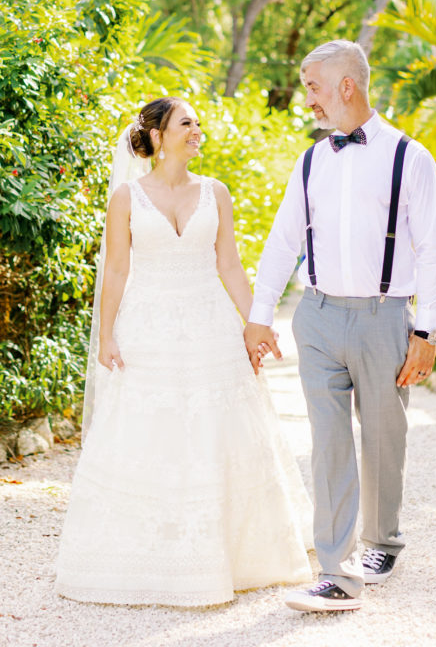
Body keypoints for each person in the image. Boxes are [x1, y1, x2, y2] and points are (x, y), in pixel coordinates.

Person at [55, 96, 312, 607]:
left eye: (198, 123)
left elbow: (231, 267)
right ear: (156, 135)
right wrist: (106, 335)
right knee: (150, 436)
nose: (198, 130)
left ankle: (230, 557)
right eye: (186, 123)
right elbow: (118, 272)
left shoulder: (216, 192)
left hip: (210, 327)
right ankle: (145, 558)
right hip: (147, 330)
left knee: (217, 434)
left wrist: (255, 323)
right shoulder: (127, 197)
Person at [244, 40, 436, 613]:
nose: (306, 98)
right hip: (317, 315)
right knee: (328, 443)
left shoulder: (411, 158)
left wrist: (426, 332)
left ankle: (383, 540)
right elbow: (283, 240)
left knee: (385, 437)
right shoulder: (310, 160)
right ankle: (337, 568)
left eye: (312, 86)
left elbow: (433, 251)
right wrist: (261, 316)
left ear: (345, 86)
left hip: (385, 317)